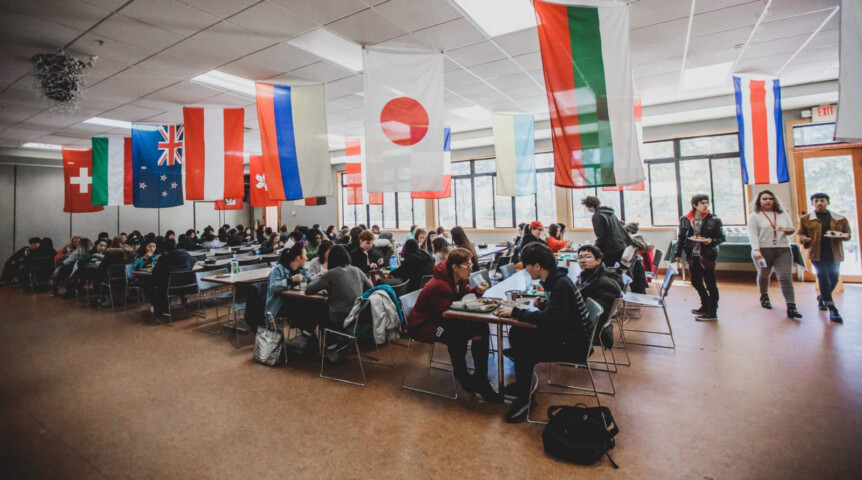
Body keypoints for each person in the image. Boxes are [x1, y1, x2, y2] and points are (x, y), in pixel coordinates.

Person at [496, 242, 592, 422]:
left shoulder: (559, 285)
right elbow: (558, 314)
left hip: (573, 345)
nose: (526, 270)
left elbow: (552, 322)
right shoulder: (556, 280)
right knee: (518, 332)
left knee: (524, 350)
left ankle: (525, 400)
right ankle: (522, 383)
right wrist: (546, 304)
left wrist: (516, 312)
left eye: (527, 266)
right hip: (570, 335)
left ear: (537, 266)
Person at [408, 248, 499, 402]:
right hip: (427, 326)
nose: (471, 269)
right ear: (455, 267)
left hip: (442, 320)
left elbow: (464, 296)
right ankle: (463, 374)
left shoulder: (458, 279)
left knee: (480, 328)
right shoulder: (439, 285)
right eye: (467, 266)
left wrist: (476, 291)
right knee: (457, 333)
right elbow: (446, 315)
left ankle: (479, 377)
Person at [304, 245, 374, 363]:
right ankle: (340, 342)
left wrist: (319, 277)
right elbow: (371, 288)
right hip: (359, 316)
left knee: (318, 312)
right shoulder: (356, 270)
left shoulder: (330, 274)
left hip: (341, 318)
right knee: (325, 310)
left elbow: (308, 290)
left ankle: (331, 346)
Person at [747, 190, 802, 319]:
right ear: (759, 201)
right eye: (764, 199)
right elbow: (753, 234)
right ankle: (764, 295)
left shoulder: (782, 214)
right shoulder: (755, 215)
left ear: (774, 200)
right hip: (763, 249)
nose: (768, 201)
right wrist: (756, 249)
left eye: (770, 199)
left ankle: (791, 306)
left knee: (785, 277)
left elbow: (789, 230)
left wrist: (789, 232)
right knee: (764, 274)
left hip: (782, 249)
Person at [797, 192, 851, 323]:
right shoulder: (805, 219)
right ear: (812, 203)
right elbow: (800, 234)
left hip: (834, 253)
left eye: (822, 200)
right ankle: (832, 308)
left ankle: (822, 298)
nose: (819, 203)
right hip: (816, 253)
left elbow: (848, 234)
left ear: (828, 202)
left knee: (833, 278)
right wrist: (804, 238)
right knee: (822, 278)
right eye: (816, 201)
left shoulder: (840, 218)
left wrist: (842, 236)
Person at [675, 194, 725, 321]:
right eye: (702, 203)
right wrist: (678, 253)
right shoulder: (685, 219)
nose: (705, 205)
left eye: (707, 202)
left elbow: (721, 238)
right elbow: (681, 237)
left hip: (707, 255)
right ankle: (705, 304)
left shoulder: (715, 220)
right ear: (695, 205)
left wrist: (711, 241)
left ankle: (712, 311)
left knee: (711, 284)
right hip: (692, 255)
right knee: (696, 282)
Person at [575, 245, 623, 334]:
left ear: (598, 261)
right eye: (580, 257)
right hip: (586, 322)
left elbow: (597, 317)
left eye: (587, 256)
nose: (582, 260)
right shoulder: (589, 276)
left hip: (593, 329)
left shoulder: (604, 283)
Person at [148, 240, 195, 317]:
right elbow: (192, 264)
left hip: (170, 289)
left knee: (151, 285)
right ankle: (181, 301)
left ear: (165, 250)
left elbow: (155, 274)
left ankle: (159, 309)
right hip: (188, 286)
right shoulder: (186, 255)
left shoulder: (164, 259)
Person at [582, 196, 631, 267]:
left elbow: (601, 235)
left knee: (603, 269)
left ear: (590, 206)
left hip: (610, 248)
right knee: (613, 269)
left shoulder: (597, 216)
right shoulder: (610, 212)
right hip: (620, 246)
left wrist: (594, 249)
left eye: (587, 207)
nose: (588, 209)